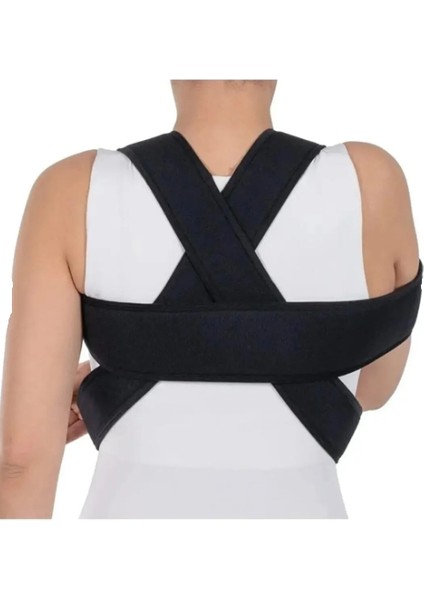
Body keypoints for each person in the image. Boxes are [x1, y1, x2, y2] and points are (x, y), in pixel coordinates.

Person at [0, 80, 420, 518]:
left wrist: (127, 366)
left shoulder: (71, 191)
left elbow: (21, 464)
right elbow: (369, 386)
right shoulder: (370, 181)